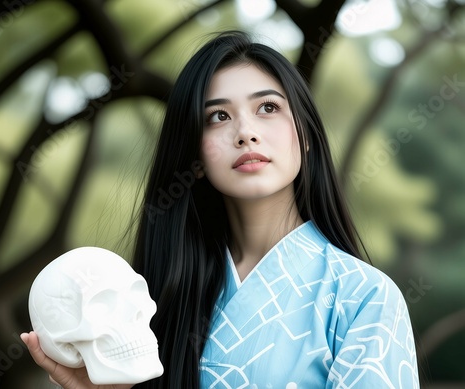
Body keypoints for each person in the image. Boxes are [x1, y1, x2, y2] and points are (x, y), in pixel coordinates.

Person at [21, 31, 419, 388]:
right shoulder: (152, 297)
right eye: (218, 116)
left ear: (307, 134)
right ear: (193, 150)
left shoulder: (365, 298)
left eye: (267, 108)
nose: (245, 132)